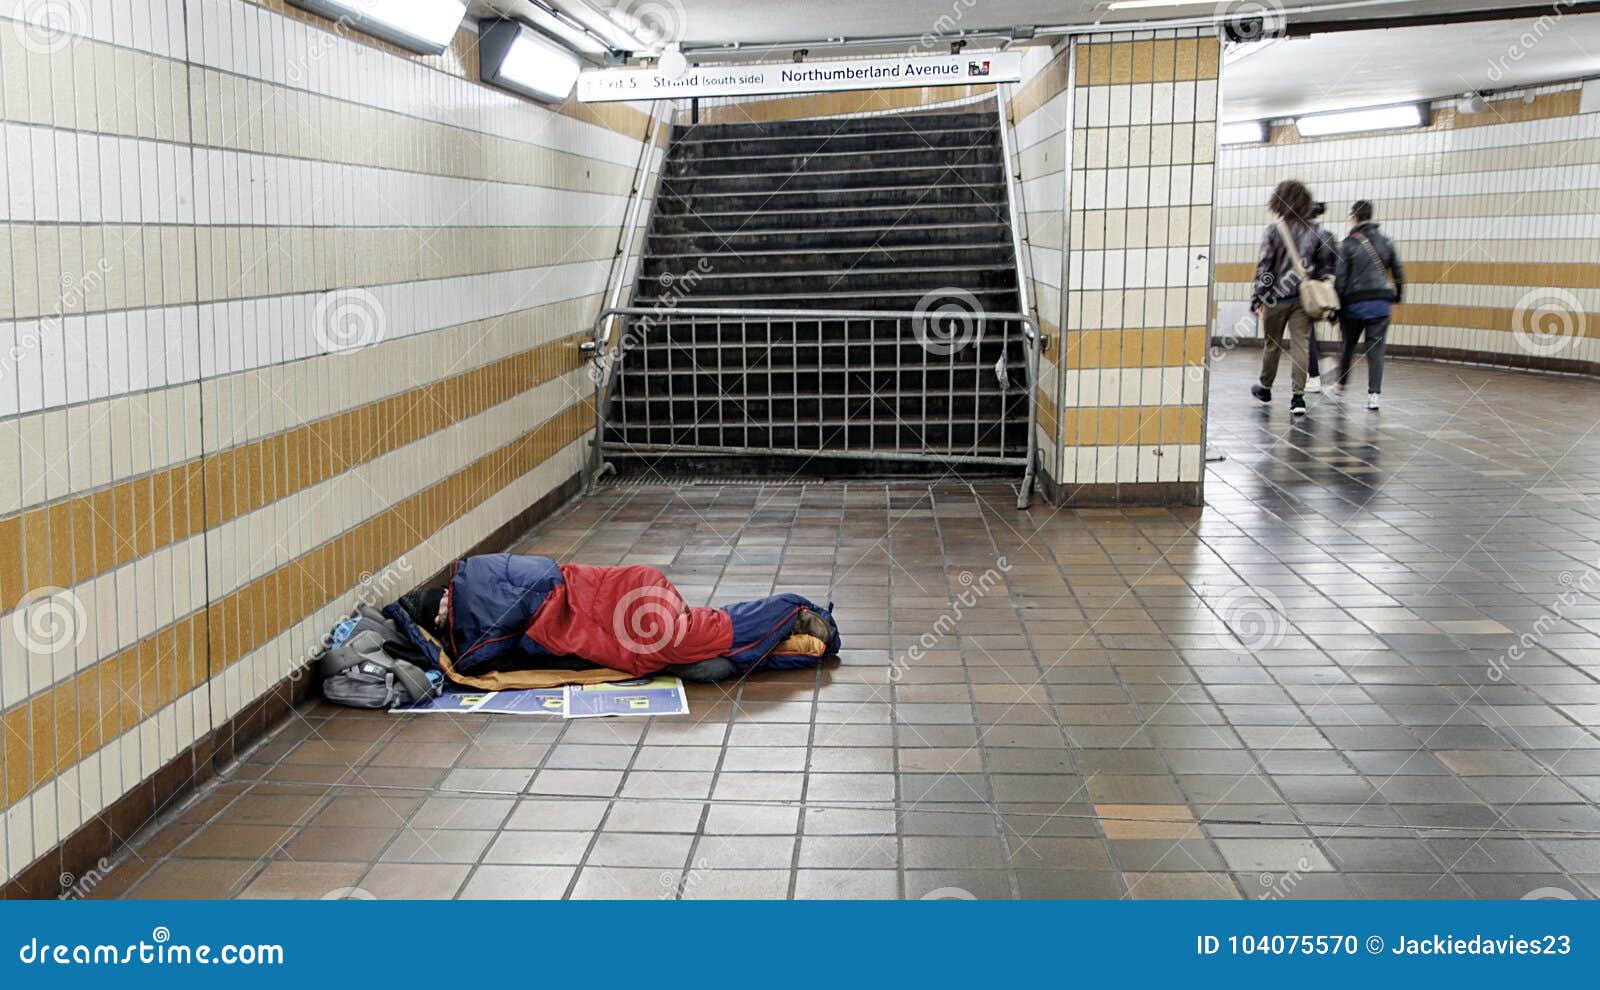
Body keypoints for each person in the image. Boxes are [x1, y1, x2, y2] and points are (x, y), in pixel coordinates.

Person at [386, 553, 841, 686]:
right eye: (441, 615)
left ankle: (797, 611)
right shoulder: (471, 611)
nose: (447, 607)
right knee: (709, 664)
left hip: (624, 603)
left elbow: (477, 651)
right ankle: (797, 641)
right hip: (619, 626)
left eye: (443, 601)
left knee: (688, 637)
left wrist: (450, 622)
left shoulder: (478, 582)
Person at [1250, 179, 1338, 416]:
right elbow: (1326, 265)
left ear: (1278, 201)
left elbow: (1265, 268)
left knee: (1272, 343)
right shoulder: (1316, 231)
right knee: (1301, 344)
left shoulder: (1273, 230)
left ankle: (1265, 387)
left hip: (1275, 299)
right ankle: (1298, 398)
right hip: (1303, 298)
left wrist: (1258, 296)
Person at [1332, 199, 1404, 410]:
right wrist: (1398, 296)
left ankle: (1340, 385)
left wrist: (1337, 306)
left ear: (1354, 217)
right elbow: (1398, 272)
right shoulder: (1386, 241)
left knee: (1348, 345)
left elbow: (1341, 278)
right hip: (1380, 305)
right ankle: (1374, 395)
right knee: (1376, 349)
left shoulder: (1349, 243)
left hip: (1354, 305)